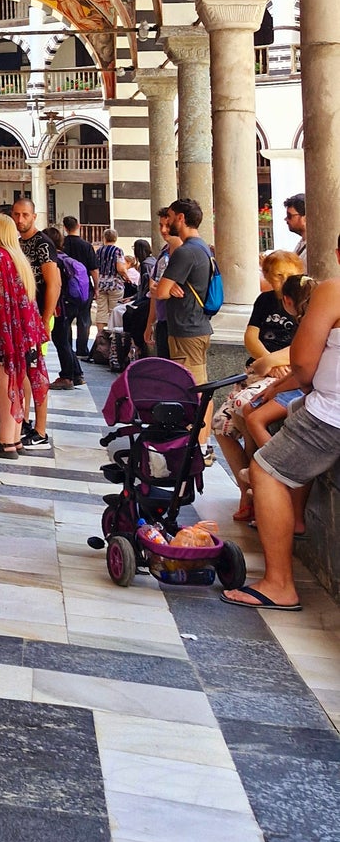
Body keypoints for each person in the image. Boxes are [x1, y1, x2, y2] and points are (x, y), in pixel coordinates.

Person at [225, 239, 340, 612]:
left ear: (337, 255)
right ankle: (297, 521)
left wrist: (303, 386)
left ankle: (279, 584)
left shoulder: (333, 290)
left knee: (266, 470)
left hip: (332, 414)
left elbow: (304, 362)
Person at [214, 249, 304, 522]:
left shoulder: (304, 302)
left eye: (289, 275)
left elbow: (302, 347)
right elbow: (251, 336)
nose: (283, 280)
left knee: (245, 405)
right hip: (260, 370)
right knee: (221, 425)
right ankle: (246, 488)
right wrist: (266, 361)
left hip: (282, 374)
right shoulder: (265, 300)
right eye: (277, 275)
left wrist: (269, 363)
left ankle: (259, 482)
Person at [0, 212, 49, 457]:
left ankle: (5, 441)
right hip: (19, 331)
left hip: (3, 330)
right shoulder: (15, 256)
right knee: (14, 384)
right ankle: (13, 438)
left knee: (3, 386)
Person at [148, 198, 214, 416]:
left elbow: (161, 292)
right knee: (197, 386)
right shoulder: (202, 247)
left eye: (170, 215)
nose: (167, 221)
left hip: (187, 328)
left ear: (181, 218)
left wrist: (161, 286)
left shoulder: (185, 252)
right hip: (194, 325)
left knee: (194, 389)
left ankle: (200, 444)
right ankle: (198, 442)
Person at [11, 198, 61, 447]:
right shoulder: (19, 243)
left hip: (37, 318)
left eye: (25, 215)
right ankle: (24, 422)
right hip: (24, 318)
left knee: (36, 372)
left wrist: (45, 319)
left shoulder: (42, 244)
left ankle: (40, 431)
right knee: (24, 372)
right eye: (17, 214)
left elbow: (54, 283)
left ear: (34, 216)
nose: (20, 220)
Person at [61, 216, 100, 369]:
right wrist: (96, 287)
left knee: (66, 320)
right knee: (84, 320)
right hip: (84, 288)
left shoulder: (62, 245)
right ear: (79, 226)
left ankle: (68, 347)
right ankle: (82, 349)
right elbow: (94, 269)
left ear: (64, 227)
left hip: (65, 288)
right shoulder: (86, 245)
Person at [91, 227, 127, 348]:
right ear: (115, 238)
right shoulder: (118, 251)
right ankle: (112, 339)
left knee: (101, 310)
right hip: (115, 284)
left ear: (104, 238)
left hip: (101, 283)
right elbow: (120, 268)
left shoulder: (99, 251)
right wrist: (126, 276)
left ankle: (100, 337)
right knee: (113, 311)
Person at [285, 193, 307, 258]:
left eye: (289, 216)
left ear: (305, 218)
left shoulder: (313, 248)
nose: (286, 219)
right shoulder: (302, 242)